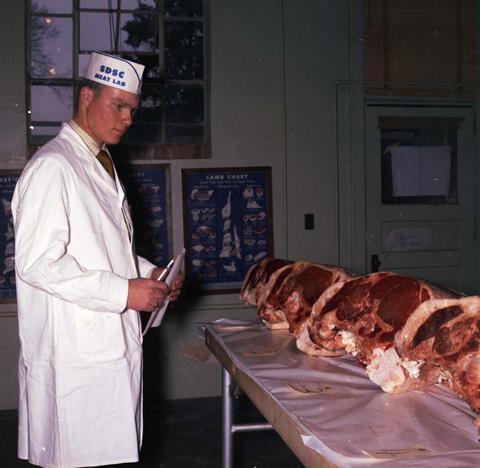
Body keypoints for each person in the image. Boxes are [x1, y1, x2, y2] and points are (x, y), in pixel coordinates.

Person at [12, 51, 183, 467]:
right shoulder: (54, 166)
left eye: (132, 109)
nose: (127, 118)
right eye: (118, 105)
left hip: (106, 351)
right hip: (74, 359)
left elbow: (100, 247)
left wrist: (150, 273)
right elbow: (36, 264)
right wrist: (124, 292)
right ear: (86, 97)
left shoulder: (97, 162)